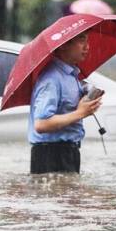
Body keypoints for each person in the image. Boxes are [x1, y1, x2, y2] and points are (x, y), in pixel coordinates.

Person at [28, 31, 102, 174]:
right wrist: (80, 113)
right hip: (50, 154)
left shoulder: (71, 75)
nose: (87, 47)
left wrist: (86, 104)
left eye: (87, 41)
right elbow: (41, 124)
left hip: (69, 151)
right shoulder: (51, 79)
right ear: (63, 45)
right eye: (81, 41)